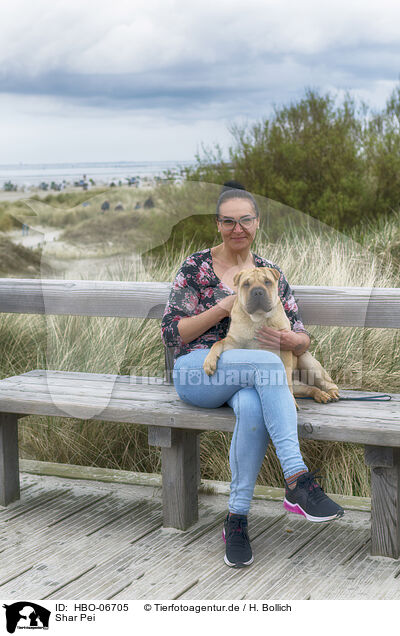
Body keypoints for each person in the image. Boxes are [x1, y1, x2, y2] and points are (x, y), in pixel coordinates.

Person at [161, 182, 344, 568]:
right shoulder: (195, 268)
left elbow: (301, 336)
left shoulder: (270, 274)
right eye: (229, 221)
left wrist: (291, 338)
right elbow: (171, 333)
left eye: (245, 219)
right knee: (265, 366)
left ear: (257, 222)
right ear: (218, 225)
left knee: (255, 406)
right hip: (198, 372)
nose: (237, 228)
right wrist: (224, 308)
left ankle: (237, 519)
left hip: (248, 380)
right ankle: (296, 478)